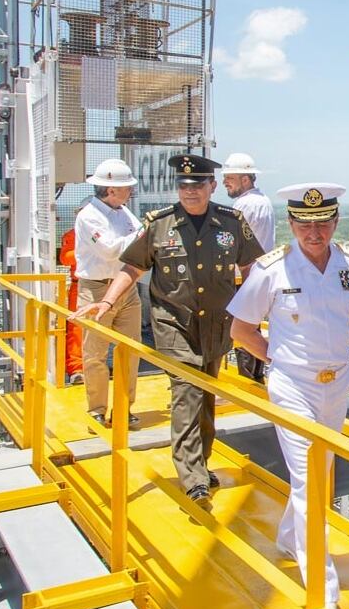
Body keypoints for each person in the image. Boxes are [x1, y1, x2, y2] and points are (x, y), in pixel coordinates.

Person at [73, 154, 263, 503]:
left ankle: (202, 464)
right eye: (183, 186)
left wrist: (256, 309)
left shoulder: (231, 222)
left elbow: (250, 266)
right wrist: (108, 302)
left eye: (197, 186)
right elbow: (131, 268)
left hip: (216, 324)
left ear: (212, 186)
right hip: (174, 323)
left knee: (205, 393)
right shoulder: (159, 225)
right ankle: (192, 478)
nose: (189, 192)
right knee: (187, 390)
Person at [227, 183, 349, 609]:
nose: (315, 232)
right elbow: (240, 329)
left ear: (335, 222)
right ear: (291, 224)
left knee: (318, 470)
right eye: (305, 224)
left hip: (337, 383)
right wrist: (284, 358)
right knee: (311, 480)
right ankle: (323, 589)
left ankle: (290, 537)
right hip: (293, 385)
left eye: (323, 222)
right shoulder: (273, 270)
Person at [72, 158, 145, 427]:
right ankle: (97, 409)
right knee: (95, 353)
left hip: (126, 286)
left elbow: (137, 237)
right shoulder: (88, 216)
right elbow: (111, 249)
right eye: (126, 188)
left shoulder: (123, 212)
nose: (130, 192)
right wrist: (141, 236)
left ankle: (124, 408)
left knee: (131, 350)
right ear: (112, 190)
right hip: (97, 290)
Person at [222, 152, 275, 385]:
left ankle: (248, 383)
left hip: (244, 275)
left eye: (230, 178)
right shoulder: (263, 200)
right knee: (252, 327)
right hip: (259, 274)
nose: (225, 182)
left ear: (245, 179)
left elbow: (229, 242)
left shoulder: (244, 204)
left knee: (241, 329)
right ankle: (255, 378)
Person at [56, 224, 83, 384]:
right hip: (80, 285)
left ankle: (99, 367)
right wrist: (90, 247)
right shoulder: (73, 234)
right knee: (77, 328)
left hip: (110, 284)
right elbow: (65, 258)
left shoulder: (112, 229)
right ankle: (77, 369)